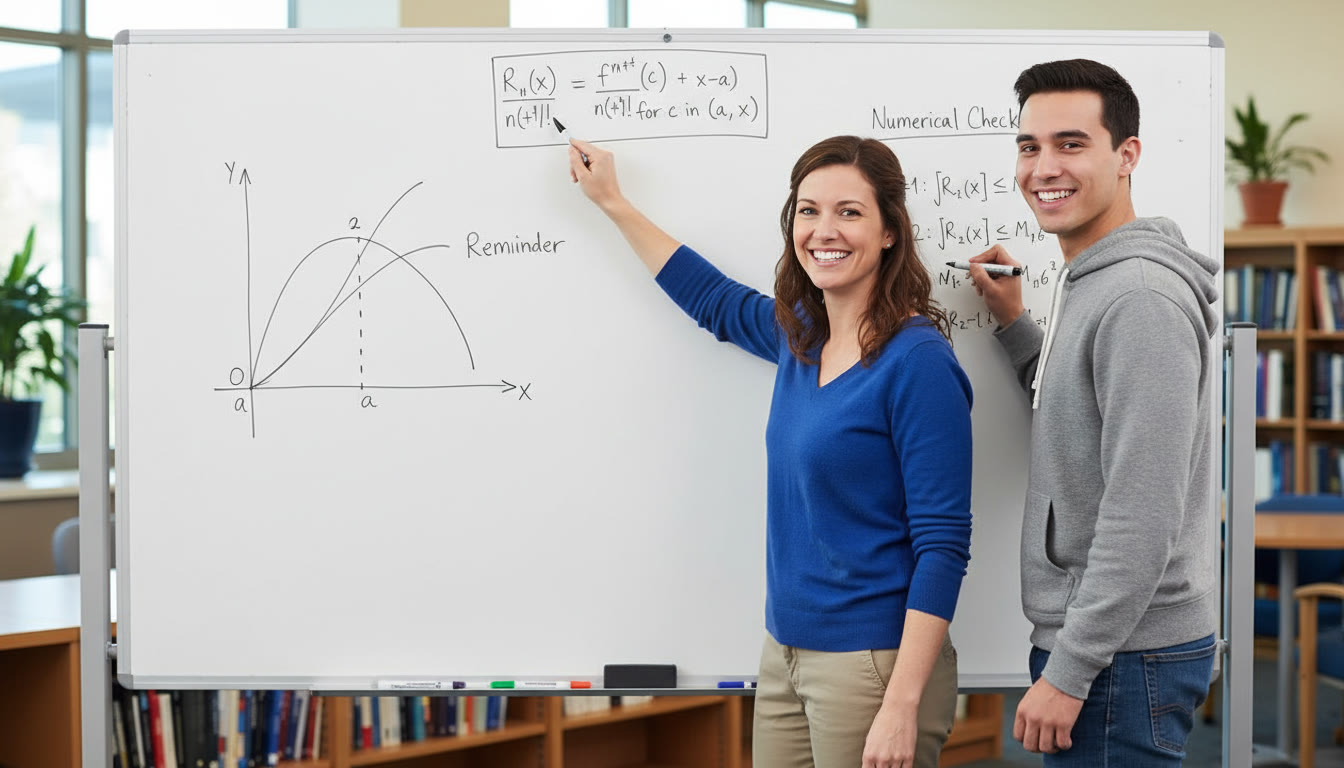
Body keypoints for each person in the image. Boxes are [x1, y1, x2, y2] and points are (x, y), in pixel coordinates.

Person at [566, 134, 973, 768]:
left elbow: (943, 545)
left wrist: (900, 705)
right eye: (808, 211)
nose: (823, 230)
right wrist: (614, 203)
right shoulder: (802, 339)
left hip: (872, 664)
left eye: (849, 211)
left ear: (890, 231)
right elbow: (714, 301)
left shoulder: (917, 364)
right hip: (784, 651)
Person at [967, 59, 1220, 765]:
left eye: (1071, 144)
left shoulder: (1137, 298)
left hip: (1120, 656)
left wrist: (1072, 668)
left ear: (1126, 154)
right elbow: (1078, 416)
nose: (1044, 167)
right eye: (1029, 146)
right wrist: (1019, 327)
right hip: (1115, 646)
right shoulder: (1094, 278)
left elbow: (1142, 511)